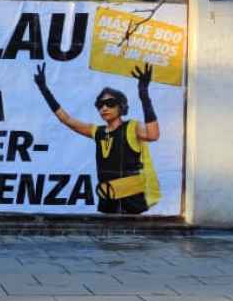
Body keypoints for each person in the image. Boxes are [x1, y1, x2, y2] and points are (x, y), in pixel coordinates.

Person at [33, 62, 161, 214]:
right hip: (107, 198)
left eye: (110, 103)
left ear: (121, 106)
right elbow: (66, 119)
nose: (104, 108)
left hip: (131, 200)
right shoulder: (97, 132)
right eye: (100, 105)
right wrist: (45, 90)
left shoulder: (132, 127)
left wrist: (144, 94)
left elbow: (153, 135)